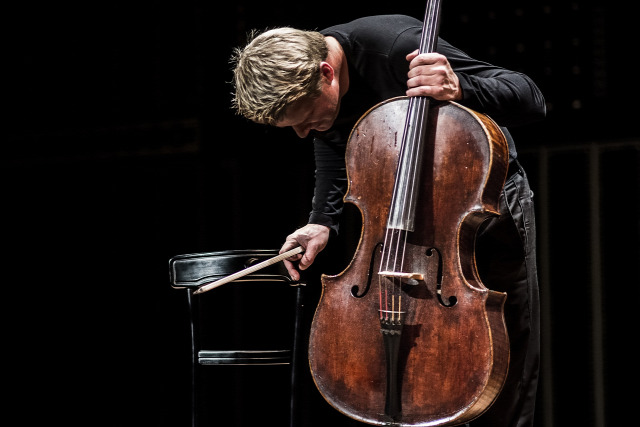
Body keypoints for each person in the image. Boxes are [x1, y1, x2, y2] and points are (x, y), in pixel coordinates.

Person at [230, 14, 545, 427]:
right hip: (399, 223)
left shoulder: (395, 46)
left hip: (476, 200)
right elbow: (334, 137)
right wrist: (322, 221)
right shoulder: (316, 79)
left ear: (327, 73)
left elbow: (529, 97)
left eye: (305, 119)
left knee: (505, 347)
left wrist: (460, 88)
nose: (304, 134)